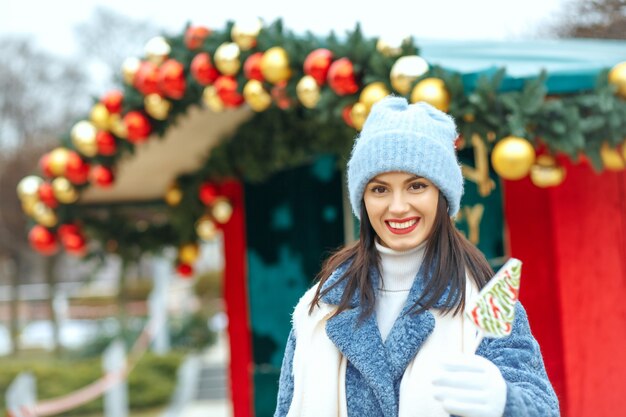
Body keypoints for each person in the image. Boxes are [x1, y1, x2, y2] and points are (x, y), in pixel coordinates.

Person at [273, 96, 559, 417]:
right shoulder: (321, 307)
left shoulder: (481, 301)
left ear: (442, 194)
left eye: (416, 186)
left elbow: (542, 408)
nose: (397, 207)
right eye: (380, 189)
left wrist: (506, 403)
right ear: (362, 199)